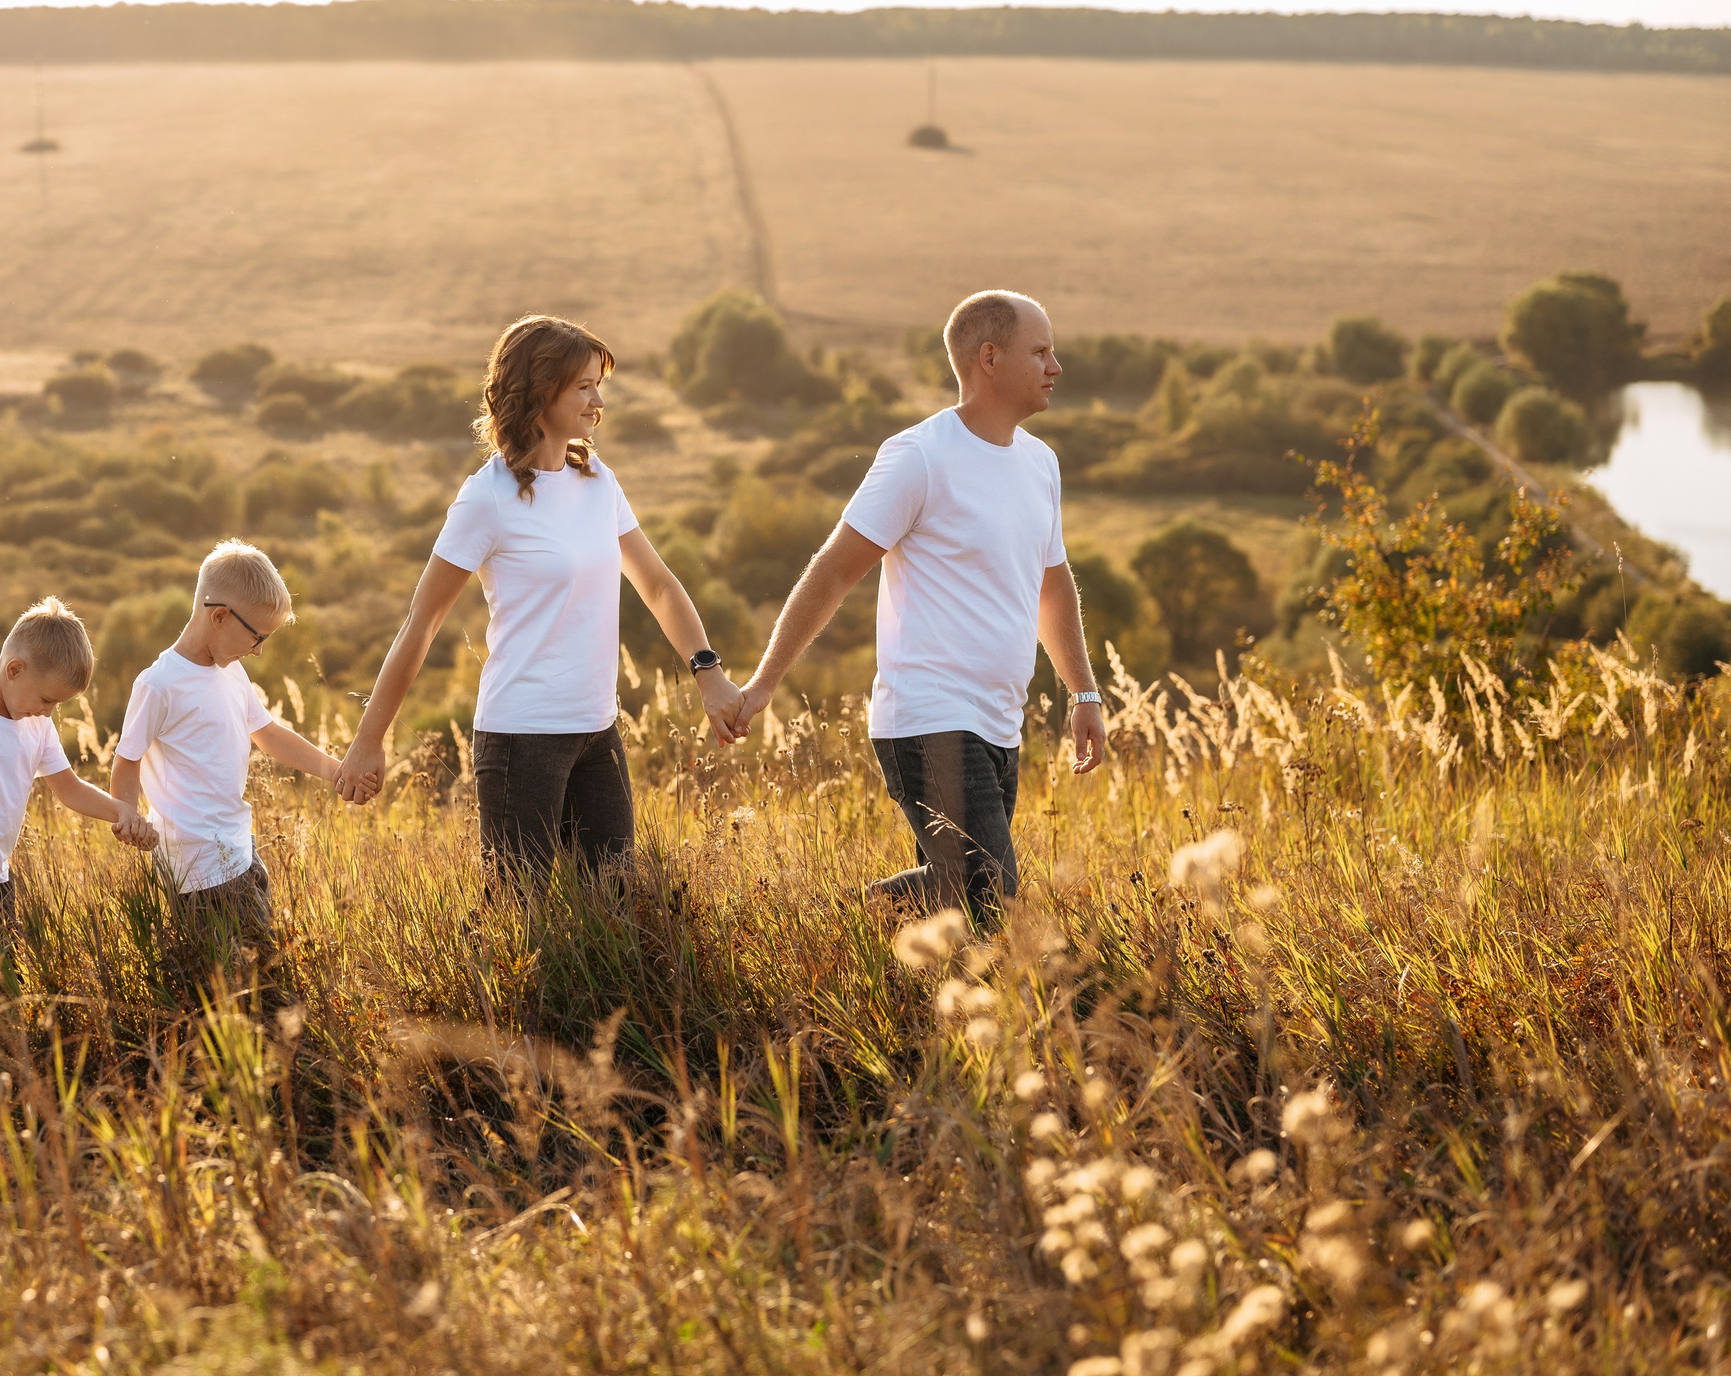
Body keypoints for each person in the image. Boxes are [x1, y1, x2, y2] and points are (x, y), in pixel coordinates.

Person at [734, 290, 1106, 920]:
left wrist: (1084, 692)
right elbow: (833, 571)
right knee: (988, 892)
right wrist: (766, 681)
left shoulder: (1041, 464)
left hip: (1000, 720)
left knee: (963, 912)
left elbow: (1053, 587)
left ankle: (913, 988)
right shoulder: (918, 457)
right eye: (1040, 351)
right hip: (928, 714)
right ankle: (833, 921)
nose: (1056, 366)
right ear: (989, 357)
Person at [338, 314, 743, 874]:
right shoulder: (487, 499)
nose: (598, 401)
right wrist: (369, 740)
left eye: (598, 385)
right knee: (518, 919)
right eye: (584, 386)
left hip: (597, 733)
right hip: (520, 741)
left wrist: (708, 671)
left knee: (613, 908)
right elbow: (422, 623)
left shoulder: (596, 478)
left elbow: (657, 584)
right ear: (539, 391)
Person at [110, 539, 343, 971]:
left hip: (239, 849)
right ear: (218, 616)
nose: (258, 650)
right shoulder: (159, 684)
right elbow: (127, 759)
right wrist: (127, 815)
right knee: (246, 985)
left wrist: (335, 770)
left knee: (258, 975)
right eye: (256, 637)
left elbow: (269, 734)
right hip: (198, 869)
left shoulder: (231, 670)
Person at [0, 597, 156, 980]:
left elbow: (69, 788)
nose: (49, 711)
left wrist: (120, 811)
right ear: (15, 670)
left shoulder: (36, 724)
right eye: (46, 699)